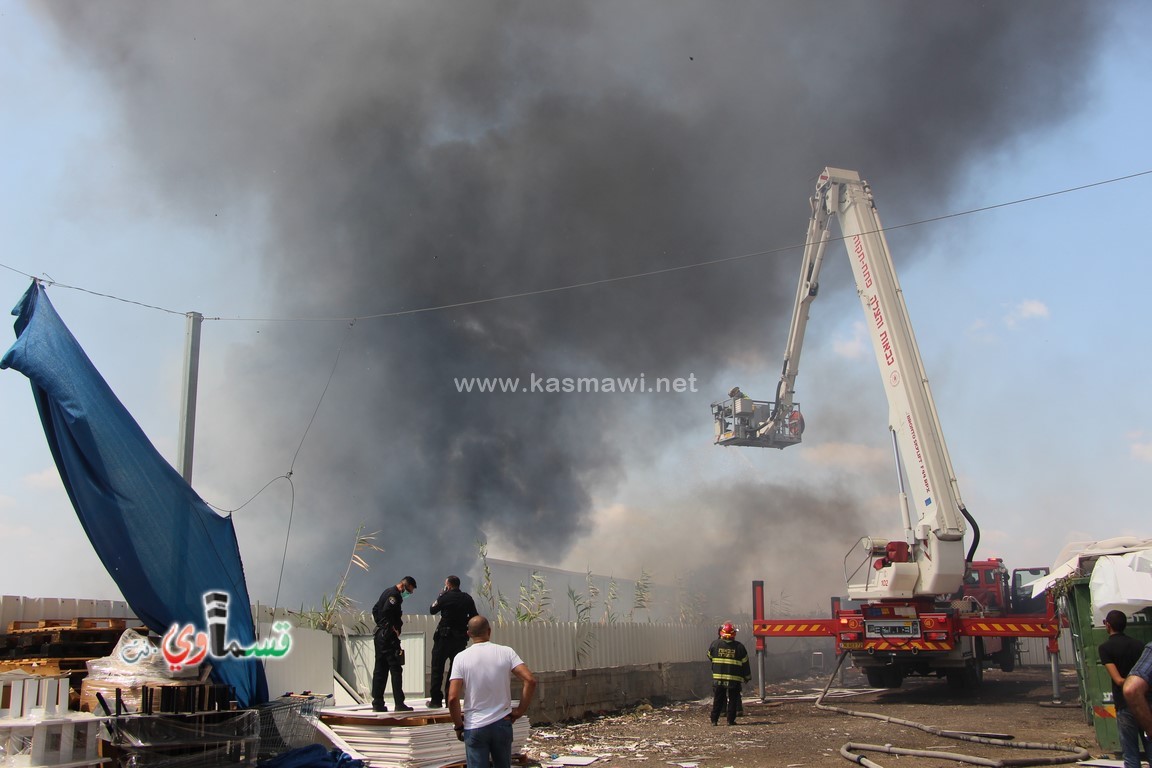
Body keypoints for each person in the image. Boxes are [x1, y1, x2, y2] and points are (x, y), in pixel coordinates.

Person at [448, 615, 537, 768]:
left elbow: (452, 697)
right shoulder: (506, 652)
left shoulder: (461, 658)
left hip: (475, 726)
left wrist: (458, 726)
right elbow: (530, 679)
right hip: (502, 723)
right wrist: (520, 710)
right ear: (489, 631)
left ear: (468, 634)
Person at [1101, 610, 1152, 768]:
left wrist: (1132, 683)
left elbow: (1118, 680)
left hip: (1124, 705)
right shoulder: (1140, 645)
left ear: (1108, 625)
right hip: (1146, 704)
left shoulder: (1105, 648)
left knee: (1130, 754)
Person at [428, 574, 479, 709]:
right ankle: (450, 699)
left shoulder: (445, 597)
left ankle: (435, 701)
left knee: (437, 668)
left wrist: (441, 595)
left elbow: (432, 610)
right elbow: (474, 616)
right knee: (455, 671)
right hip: (460, 639)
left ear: (448, 585)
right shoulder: (467, 598)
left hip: (443, 639)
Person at [371, 576, 417, 713]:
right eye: (409, 591)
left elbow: (375, 609)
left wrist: (381, 624)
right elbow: (386, 611)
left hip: (380, 635)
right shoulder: (394, 595)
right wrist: (392, 628)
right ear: (404, 586)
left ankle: (377, 703)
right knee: (395, 669)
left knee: (380, 669)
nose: (409, 594)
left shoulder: (386, 591)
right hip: (388, 637)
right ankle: (399, 703)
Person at [708, 621, 750, 726]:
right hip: (734, 678)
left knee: (718, 699)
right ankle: (730, 721)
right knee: (733, 700)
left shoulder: (715, 644)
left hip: (718, 678)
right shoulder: (739, 647)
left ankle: (714, 720)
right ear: (733, 634)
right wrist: (747, 677)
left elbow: (710, 656)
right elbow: (745, 663)